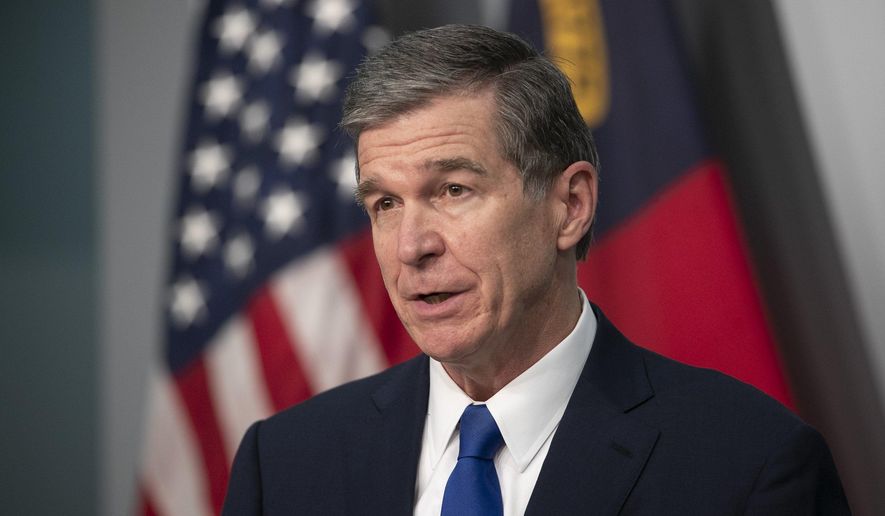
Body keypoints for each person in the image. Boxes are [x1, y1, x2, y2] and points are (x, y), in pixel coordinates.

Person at [223, 24, 850, 515]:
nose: (411, 246)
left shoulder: (747, 465)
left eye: (452, 190)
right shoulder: (282, 466)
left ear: (569, 206)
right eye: (385, 203)